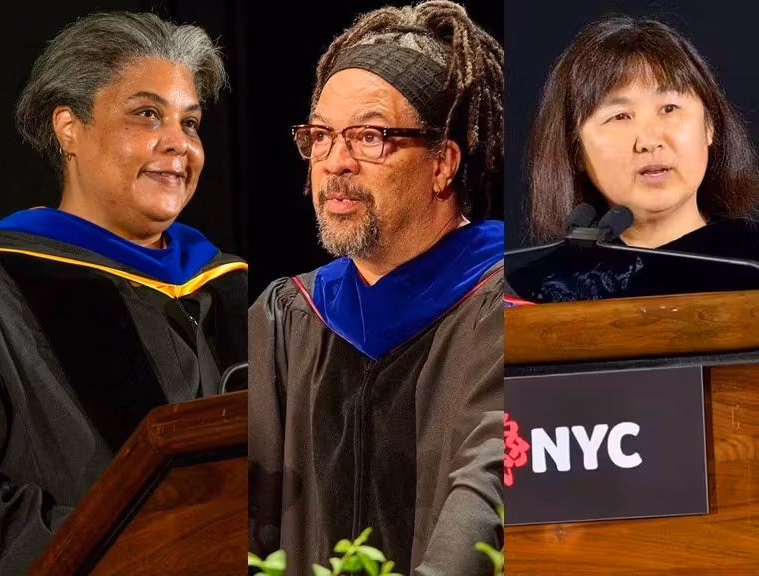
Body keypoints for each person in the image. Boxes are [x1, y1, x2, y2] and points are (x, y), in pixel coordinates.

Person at [248, 2, 504, 575]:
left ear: (443, 163)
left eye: (370, 136)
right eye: (320, 136)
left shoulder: (503, 304)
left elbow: (488, 495)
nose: (335, 162)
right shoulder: (287, 317)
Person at [0, 12, 247, 575]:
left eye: (192, 121)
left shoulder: (236, 291)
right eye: (147, 114)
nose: (179, 144)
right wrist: (165, 551)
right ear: (68, 128)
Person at [507, 16, 759, 302]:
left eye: (669, 108)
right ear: (576, 151)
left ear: (709, 127)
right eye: (620, 116)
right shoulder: (536, 294)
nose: (649, 142)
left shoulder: (750, 261)